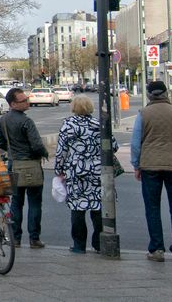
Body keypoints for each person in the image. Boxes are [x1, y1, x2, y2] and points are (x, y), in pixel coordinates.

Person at [131, 80, 172, 263]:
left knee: (152, 208)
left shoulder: (143, 114)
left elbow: (136, 144)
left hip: (150, 166)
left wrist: (136, 165)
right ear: (166, 93)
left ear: (149, 95)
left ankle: (157, 248)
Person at [54, 95, 109, 254]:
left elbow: (61, 151)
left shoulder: (68, 125)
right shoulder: (98, 124)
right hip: (97, 171)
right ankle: (98, 243)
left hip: (76, 171)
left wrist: (59, 170)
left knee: (77, 208)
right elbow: (112, 145)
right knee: (97, 207)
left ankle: (79, 245)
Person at [0, 87, 49, 248]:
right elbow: (37, 145)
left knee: (16, 202)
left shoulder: (3, 120)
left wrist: (12, 150)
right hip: (31, 165)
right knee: (35, 203)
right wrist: (44, 154)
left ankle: (16, 238)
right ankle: (34, 238)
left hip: (14, 165)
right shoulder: (27, 122)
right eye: (23, 100)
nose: (27, 102)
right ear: (13, 104)